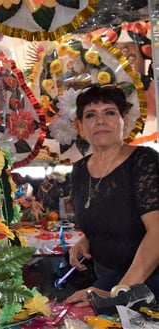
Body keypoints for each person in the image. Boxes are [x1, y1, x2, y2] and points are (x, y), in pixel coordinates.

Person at [64, 85, 159, 306]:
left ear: (124, 121)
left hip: (148, 284)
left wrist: (119, 293)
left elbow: (157, 231)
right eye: (90, 115)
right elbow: (114, 215)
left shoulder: (144, 161)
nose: (100, 120)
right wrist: (86, 239)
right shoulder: (79, 170)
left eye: (109, 112)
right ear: (80, 127)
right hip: (106, 279)